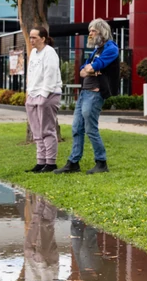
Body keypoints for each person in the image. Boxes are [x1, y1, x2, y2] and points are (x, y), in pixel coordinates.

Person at [55, 18, 119, 175]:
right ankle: (73, 162)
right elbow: (83, 70)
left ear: (102, 32)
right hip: (84, 92)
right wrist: (90, 70)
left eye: (93, 31)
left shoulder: (111, 48)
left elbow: (94, 67)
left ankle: (101, 162)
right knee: (77, 128)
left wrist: (91, 69)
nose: (90, 34)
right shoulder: (96, 50)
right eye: (90, 31)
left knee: (90, 129)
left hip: (95, 93)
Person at [25, 27, 63, 173]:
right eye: (30, 37)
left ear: (43, 38)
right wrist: (29, 93)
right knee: (36, 131)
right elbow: (31, 74)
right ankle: (40, 161)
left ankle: (51, 162)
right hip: (33, 95)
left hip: (48, 95)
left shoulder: (49, 52)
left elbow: (50, 75)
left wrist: (44, 95)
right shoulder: (33, 53)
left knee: (47, 130)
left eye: (34, 37)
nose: (31, 40)